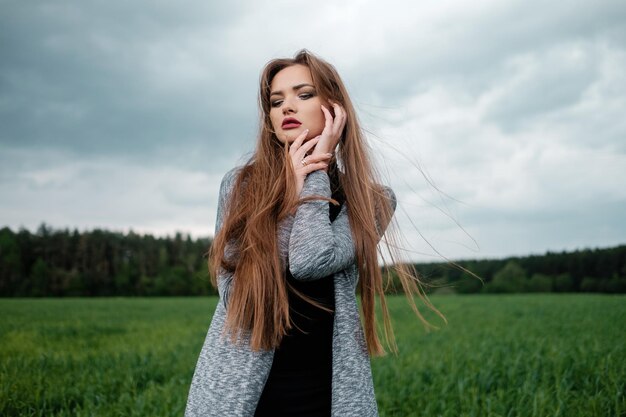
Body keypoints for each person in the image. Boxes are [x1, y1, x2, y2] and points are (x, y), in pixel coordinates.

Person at [184, 49, 445, 417]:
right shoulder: (240, 186)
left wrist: (313, 174)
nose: (286, 107)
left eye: (303, 94)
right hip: (241, 397)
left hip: (327, 395)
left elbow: (309, 260)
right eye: (276, 101)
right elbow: (239, 298)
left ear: (334, 109)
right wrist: (287, 192)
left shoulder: (372, 201)